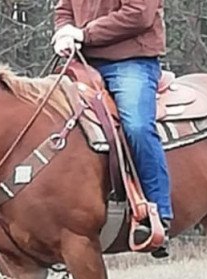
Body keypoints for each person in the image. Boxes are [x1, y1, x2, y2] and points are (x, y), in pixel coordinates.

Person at [52, 0, 172, 257]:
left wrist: (84, 34)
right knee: (48, 120)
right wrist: (64, 33)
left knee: (137, 127)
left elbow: (140, 14)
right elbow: (64, 10)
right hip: (82, 64)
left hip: (131, 61)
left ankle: (158, 214)